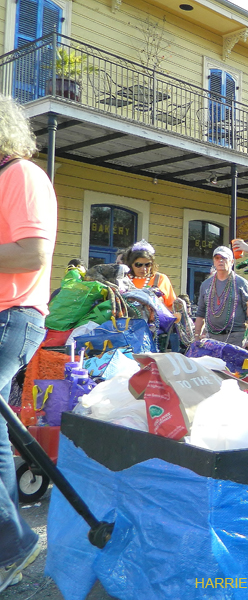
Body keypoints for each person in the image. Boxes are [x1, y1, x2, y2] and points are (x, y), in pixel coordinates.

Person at [0, 95, 56, 591]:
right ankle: (11, 540)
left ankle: (14, 543)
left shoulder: (20, 175)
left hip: (13, 316)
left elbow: (33, 253)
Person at [194, 246, 248, 344]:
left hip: (235, 337)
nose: (220, 261)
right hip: (211, 337)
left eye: (224, 258)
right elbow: (200, 313)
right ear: (214, 261)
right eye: (217, 258)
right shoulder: (206, 284)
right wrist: (196, 336)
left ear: (232, 261)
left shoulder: (241, 283)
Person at [121, 240, 177, 310]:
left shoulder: (160, 278)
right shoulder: (124, 278)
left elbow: (172, 306)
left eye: (147, 265)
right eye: (138, 265)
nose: (143, 269)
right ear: (131, 264)